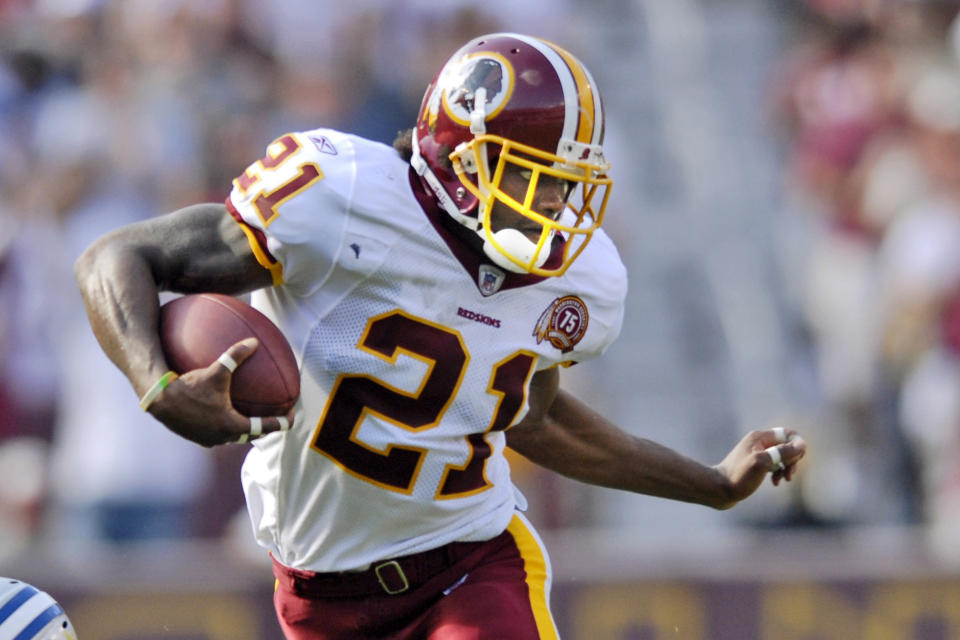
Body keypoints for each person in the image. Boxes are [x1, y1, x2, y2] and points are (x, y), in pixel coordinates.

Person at [74, 33, 806, 640]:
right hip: (316, 597)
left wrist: (708, 484)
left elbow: (534, 417)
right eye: (535, 178)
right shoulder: (337, 198)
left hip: (471, 566)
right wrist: (155, 382)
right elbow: (116, 257)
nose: (557, 205)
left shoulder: (581, 283)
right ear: (464, 161)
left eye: (566, 183)